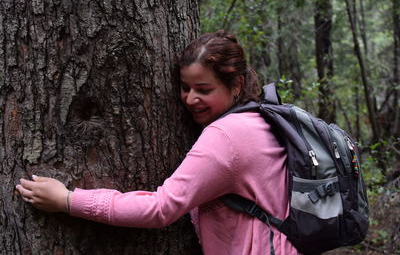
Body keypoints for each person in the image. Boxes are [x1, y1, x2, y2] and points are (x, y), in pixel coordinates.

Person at [16, 30, 299, 255]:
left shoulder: (226, 135)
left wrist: (68, 200)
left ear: (236, 85)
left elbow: (160, 208)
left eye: (204, 89)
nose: (190, 99)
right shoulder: (260, 121)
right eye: (185, 87)